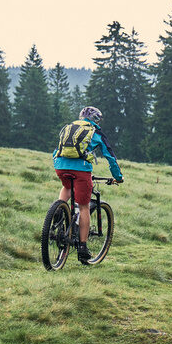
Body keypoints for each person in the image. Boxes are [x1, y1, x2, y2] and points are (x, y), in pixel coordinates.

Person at [53, 106, 123, 263]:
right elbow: (110, 156)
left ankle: (59, 211)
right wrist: (118, 177)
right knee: (83, 206)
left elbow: (56, 150)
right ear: (96, 120)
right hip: (81, 170)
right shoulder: (96, 132)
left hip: (60, 167)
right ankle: (83, 247)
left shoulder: (69, 127)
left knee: (67, 187)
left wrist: (59, 165)